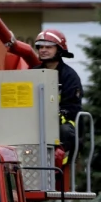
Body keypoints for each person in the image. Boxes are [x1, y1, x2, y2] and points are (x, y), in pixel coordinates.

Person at [34, 28, 83, 169]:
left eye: (48, 47)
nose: (43, 50)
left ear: (59, 50)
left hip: (63, 123)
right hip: (34, 121)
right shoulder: (33, 73)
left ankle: (60, 164)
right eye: (40, 47)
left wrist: (53, 117)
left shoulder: (69, 76)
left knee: (65, 131)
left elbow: (72, 109)